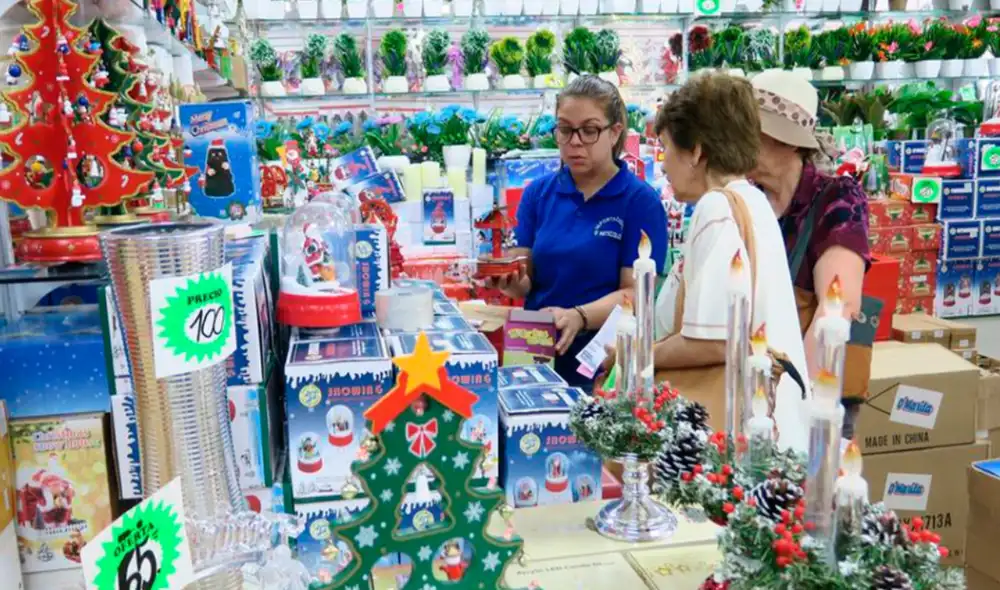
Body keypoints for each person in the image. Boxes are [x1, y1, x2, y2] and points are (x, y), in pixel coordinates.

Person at [652, 72, 809, 453]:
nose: (662, 165)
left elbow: (714, 341)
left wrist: (638, 353)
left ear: (696, 152)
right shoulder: (752, 200)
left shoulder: (716, 207)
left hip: (736, 434)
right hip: (773, 428)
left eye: (666, 149)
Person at [485, 75, 669, 388]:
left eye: (589, 130)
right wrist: (508, 279)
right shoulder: (538, 194)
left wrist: (578, 316)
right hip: (535, 349)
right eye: (565, 129)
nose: (574, 142)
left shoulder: (639, 202)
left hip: (603, 359)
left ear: (614, 132)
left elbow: (636, 294)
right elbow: (526, 281)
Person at [749, 70, 871, 438]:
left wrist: (791, 395)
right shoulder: (747, 197)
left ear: (788, 142)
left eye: (751, 131)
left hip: (812, 388)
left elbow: (837, 307)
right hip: (756, 383)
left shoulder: (837, 198)